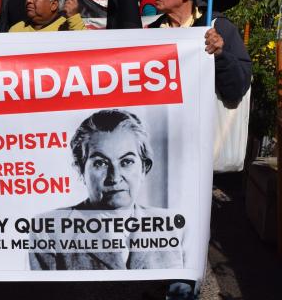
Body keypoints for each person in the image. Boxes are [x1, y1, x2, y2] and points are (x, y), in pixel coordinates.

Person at [143, 0, 251, 300]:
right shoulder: (153, 30)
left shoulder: (219, 29)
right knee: (162, 218)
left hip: (196, 147)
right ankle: (169, 284)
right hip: (160, 145)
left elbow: (238, 85)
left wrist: (220, 55)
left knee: (186, 222)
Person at [29, 109, 183, 271]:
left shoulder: (175, 228)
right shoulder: (49, 230)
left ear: (144, 168)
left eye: (126, 162)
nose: (114, 177)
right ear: (81, 169)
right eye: (100, 163)